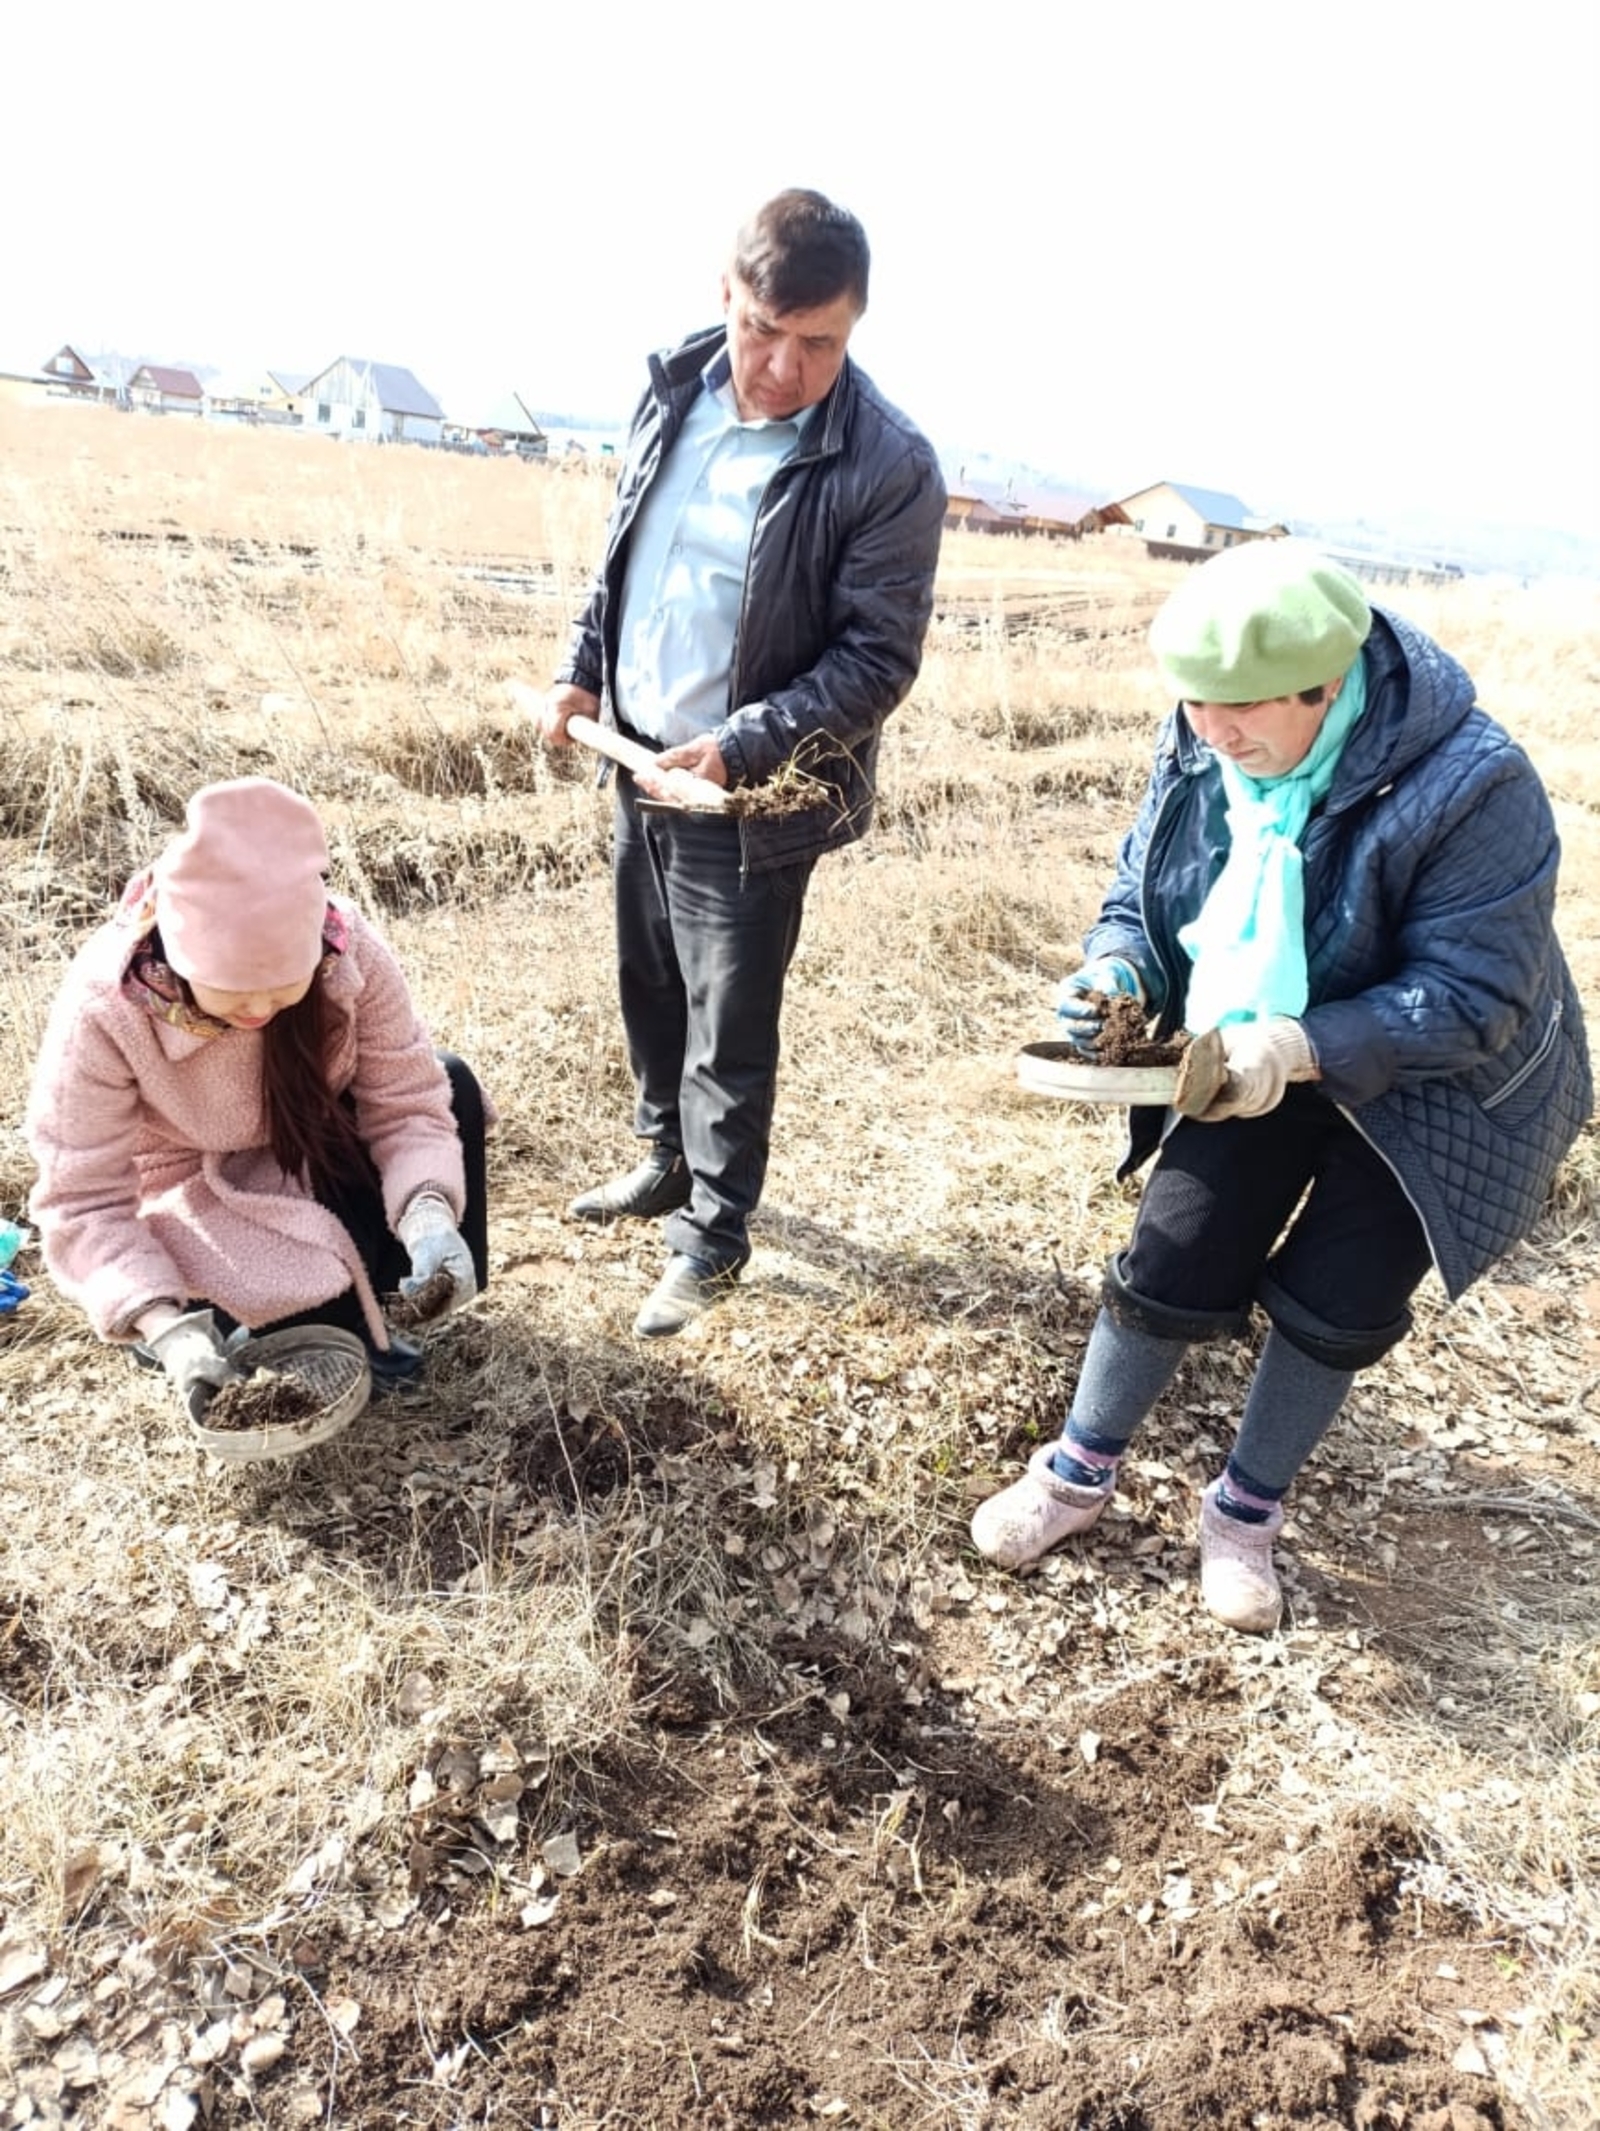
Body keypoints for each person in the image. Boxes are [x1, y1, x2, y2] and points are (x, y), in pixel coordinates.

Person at [973, 539, 1591, 1631]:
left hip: (1440, 1079)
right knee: (1174, 1243)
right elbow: (1145, 884)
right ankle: (1074, 1473)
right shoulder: (1209, 733)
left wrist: (1299, 1049)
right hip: (1253, 1024)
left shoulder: (1475, 784)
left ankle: (1243, 1514)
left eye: (1240, 711)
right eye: (1196, 707)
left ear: (1329, 683)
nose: (1212, 734)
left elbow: (1473, 995)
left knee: (1338, 1295)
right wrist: (1119, 964)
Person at [535, 187, 946, 1338]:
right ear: (725, 295)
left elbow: (876, 657)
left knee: (729, 1016)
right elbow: (625, 563)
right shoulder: (672, 390)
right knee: (649, 977)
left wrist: (744, 745)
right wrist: (582, 671)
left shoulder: (887, 462)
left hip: (749, 791)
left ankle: (712, 1236)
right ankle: (660, 1158)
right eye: (763, 330)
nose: (780, 366)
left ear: (853, 328)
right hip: (636, 756)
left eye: (818, 343)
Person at [25, 778, 488, 1416]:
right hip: (190, 1179)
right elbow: (83, 1197)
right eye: (234, 991)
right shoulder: (108, 1003)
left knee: (452, 1081)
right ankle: (197, 1316)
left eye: (281, 985)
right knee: (274, 1333)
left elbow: (405, 1099)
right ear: (180, 953)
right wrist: (162, 1323)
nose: (263, 1009)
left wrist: (430, 1216)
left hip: (302, 1141)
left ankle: (394, 1287)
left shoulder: (346, 951)